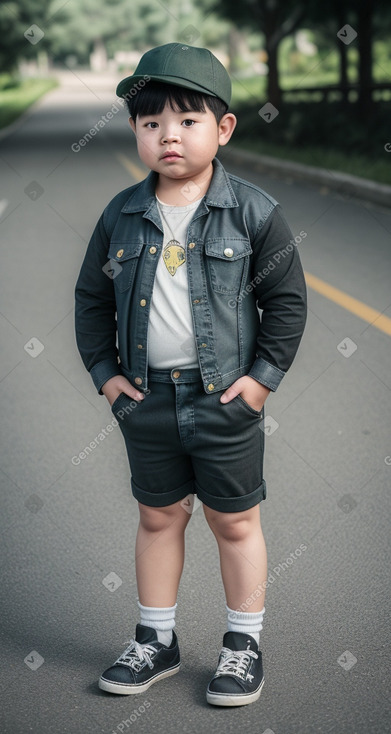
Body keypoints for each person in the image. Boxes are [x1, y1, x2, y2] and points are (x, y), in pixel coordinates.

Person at [75, 42, 307, 707]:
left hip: (224, 400)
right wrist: (105, 373)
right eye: (151, 123)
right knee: (157, 518)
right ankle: (156, 638)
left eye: (186, 120)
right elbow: (91, 297)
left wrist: (261, 378)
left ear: (223, 128)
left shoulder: (255, 212)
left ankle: (242, 644)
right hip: (145, 400)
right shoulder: (121, 214)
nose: (167, 135)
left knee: (234, 523)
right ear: (134, 132)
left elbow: (286, 301)